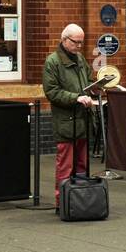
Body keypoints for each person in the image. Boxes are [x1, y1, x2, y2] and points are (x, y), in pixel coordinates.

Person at [43, 24, 95, 213]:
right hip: (65, 121)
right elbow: (52, 92)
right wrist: (76, 98)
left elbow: (88, 81)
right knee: (65, 165)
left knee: (82, 164)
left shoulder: (80, 59)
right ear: (64, 39)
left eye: (81, 43)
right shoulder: (53, 62)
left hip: (82, 119)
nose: (79, 46)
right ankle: (62, 203)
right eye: (76, 42)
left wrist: (94, 88)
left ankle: (81, 200)